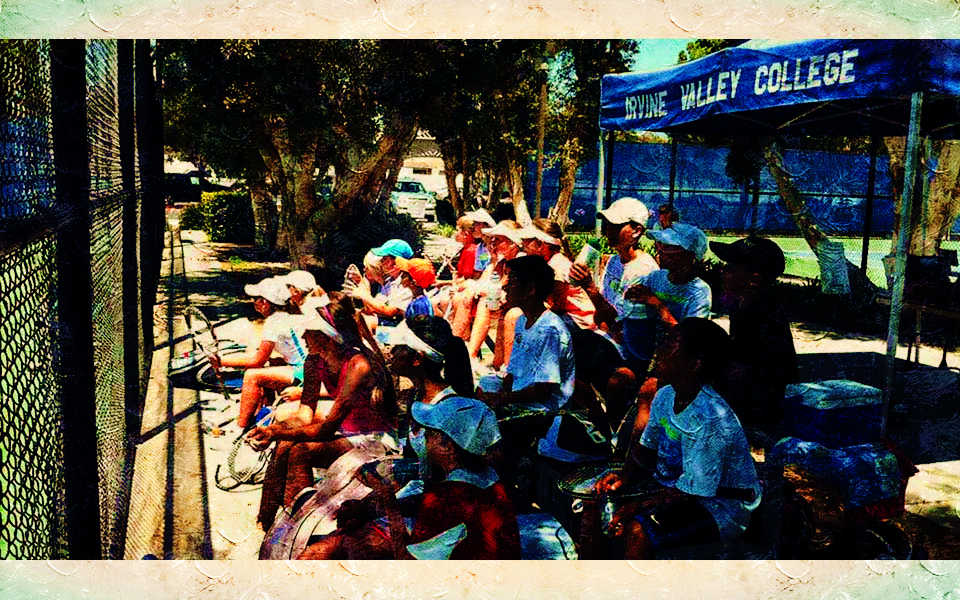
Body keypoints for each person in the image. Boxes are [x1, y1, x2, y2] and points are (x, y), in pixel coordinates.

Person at [597, 318, 761, 559]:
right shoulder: (665, 395)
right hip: (677, 489)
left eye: (671, 344)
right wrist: (624, 477)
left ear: (695, 364)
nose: (661, 350)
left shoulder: (710, 417)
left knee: (638, 532)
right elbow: (646, 448)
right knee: (598, 504)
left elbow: (692, 493)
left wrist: (636, 507)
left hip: (720, 506)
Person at [300, 396, 521, 559]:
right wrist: (371, 509)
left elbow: (407, 564)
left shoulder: (450, 499)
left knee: (336, 549)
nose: (424, 438)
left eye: (430, 433)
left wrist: (388, 501)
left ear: (448, 446)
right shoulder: (484, 477)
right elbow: (424, 504)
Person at [250, 292, 398, 530]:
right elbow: (305, 414)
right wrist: (275, 431)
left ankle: (298, 525)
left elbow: (327, 429)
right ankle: (273, 522)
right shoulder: (314, 360)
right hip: (348, 434)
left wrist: (275, 433)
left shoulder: (359, 365)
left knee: (298, 451)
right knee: (286, 443)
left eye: (308, 332)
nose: (302, 336)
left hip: (375, 440)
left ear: (325, 336)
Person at [710, 235, 796, 431]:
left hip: (761, 411)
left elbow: (746, 371)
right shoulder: (743, 305)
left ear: (754, 279)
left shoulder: (761, 313)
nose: (723, 272)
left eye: (731, 268)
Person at [569, 197, 659, 379]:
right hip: (608, 338)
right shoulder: (614, 262)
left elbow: (621, 328)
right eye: (608, 224)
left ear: (637, 231)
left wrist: (589, 288)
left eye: (616, 225)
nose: (609, 230)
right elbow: (603, 317)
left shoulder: (643, 270)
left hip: (628, 352)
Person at [211, 276, 307, 429]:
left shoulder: (274, 323)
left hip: (304, 372)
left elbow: (257, 361)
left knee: (252, 376)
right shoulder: (285, 317)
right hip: (306, 367)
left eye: (255, 299)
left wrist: (220, 361)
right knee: (270, 364)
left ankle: (241, 426)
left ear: (264, 302)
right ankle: (265, 415)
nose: (253, 302)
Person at [519, 218, 597, 330]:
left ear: (540, 244)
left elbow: (556, 306)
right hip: (568, 318)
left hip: (578, 323)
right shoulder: (548, 263)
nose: (522, 244)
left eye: (527, 240)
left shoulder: (556, 266)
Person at [352, 239, 415, 328]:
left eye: (385, 259)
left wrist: (364, 295)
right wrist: (361, 283)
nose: (382, 262)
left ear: (397, 263)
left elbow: (390, 311)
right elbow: (371, 308)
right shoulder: (389, 282)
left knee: (361, 322)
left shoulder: (406, 285)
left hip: (397, 327)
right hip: (383, 322)